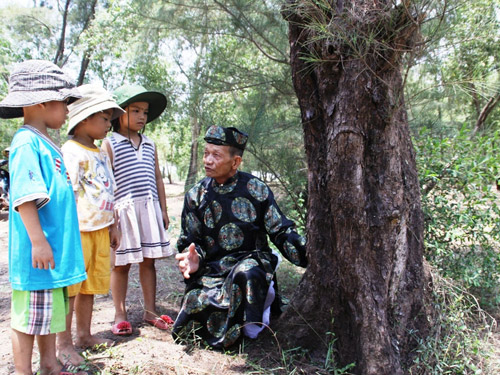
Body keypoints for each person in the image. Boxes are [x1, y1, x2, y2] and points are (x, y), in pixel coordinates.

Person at [173, 125, 308, 348]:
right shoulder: (195, 195)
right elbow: (190, 241)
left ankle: (250, 329)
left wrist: (310, 253)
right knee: (194, 302)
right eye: (206, 153)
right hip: (213, 268)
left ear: (235, 162)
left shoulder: (256, 189)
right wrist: (192, 259)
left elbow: (280, 230)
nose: (208, 160)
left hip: (251, 262)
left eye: (216, 155)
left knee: (247, 274)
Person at [0, 60, 88, 375]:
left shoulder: (45, 143)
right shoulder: (26, 143)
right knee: (27, 319)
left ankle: (49, 363)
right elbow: (24, 197)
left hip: (53, 255)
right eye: (64, 102)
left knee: (49, 313)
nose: (67, 110)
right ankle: (24, 371)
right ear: (41, 102)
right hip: (38, 255)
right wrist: (38, 242)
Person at [57, 84, 124, 366]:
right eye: (105, 118)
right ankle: (63, 344)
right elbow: (66, 193)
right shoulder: (71, 151)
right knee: (71, 289)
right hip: (78, 231)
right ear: (85, 118)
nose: (110, 124)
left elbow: (109, 190)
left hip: (100, 229)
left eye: (110, 119)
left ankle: (84, 335)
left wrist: (113, 225)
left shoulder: (100, 151)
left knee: (90, 288)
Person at [101, 84, 174, 336]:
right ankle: (120, 313)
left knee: (149, 261)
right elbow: (106, 184)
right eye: (135, 110)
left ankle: (150, 310)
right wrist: (111, 220)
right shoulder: (109, 144)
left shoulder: (150, 144)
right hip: (124, 212)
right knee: (120, 265)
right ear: (119, 114)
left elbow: (157, 178)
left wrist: (163, 209)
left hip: (149, 207)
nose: (142, 116)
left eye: (145, 111)